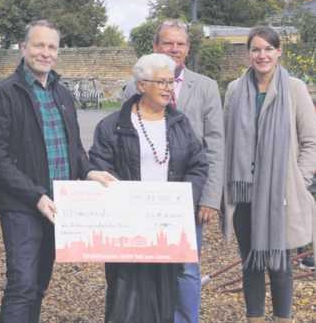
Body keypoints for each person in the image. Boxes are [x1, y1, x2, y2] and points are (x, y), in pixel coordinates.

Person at [0, 20, 115, 323]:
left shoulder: (62, 94)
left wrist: (89, 172)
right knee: (22, 285)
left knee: (39, 284)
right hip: (22, 205)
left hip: (57, 204)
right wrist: (35, 196)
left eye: (51, 47)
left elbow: (74, 147)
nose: (45, 52)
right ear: (23, 48)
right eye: (39, 45)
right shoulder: (4, 93)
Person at [90, 53, 208, 323]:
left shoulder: (180, 124)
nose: (168, 87)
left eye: (171, 81)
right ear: (142, 85)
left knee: (164, 294)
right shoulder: (112, 126)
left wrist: (182, 201)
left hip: (167, 225)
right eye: (161, 82)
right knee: (126, 296)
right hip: (127, 226)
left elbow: (198, 165)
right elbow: (100, 165)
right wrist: (128, 201)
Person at [123, 20, 223, 323]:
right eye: (167, 43)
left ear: (188, 49)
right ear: (156, 46)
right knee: (143, 263)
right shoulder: (134, 86)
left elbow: (215, 145)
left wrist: (210, 198)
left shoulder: (205, 87)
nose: (174, 49)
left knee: (186, 267)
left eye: (180, 44)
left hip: (188, 194)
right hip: (144, 194)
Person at [222, 26, 316, 323]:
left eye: (268, 49)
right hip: (244, 190)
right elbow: (226, 140)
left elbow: (311, 141)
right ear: (248, 53)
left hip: (280, 192)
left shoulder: (295, 89)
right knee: (251, 262)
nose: (262, 55)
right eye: (256, 49)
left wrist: (298, 180)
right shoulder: (235, 90)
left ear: (279, 52)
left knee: (279, 263)